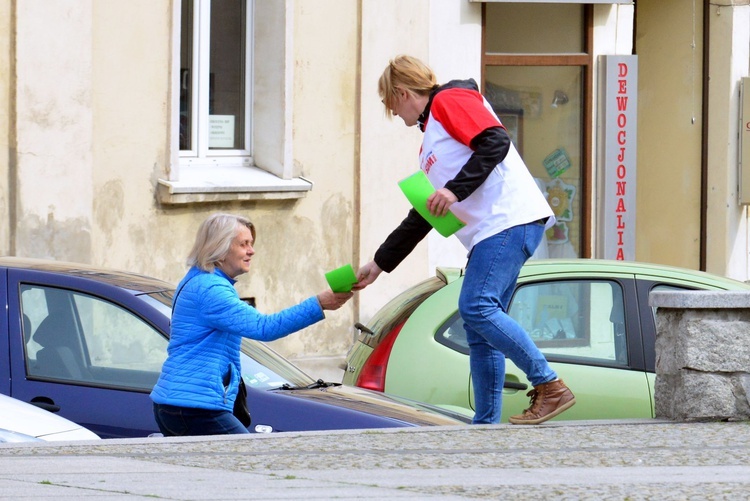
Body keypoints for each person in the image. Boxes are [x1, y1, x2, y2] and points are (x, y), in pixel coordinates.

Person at [354, 55, 575, 425]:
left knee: (476, 306)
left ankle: (549, 385)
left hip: (507, 221)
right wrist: (378, 264)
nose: (391, 112)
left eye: (387, 103)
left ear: (401, 92)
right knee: (478, 325)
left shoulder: (449, 100)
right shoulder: (429, 143)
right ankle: (485, 424)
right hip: (494, 230)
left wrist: (454, 191)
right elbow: (424, 215)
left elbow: (496, 141)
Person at [151, 213, 353, 436]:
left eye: (251, 244)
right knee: (250, 457)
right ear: (220, 248)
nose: (251, 250)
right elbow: (264, 327)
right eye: (243, 244)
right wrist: (319, 304)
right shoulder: (210, 290)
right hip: (193, 407)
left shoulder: (201, 281)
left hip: (185, 402)